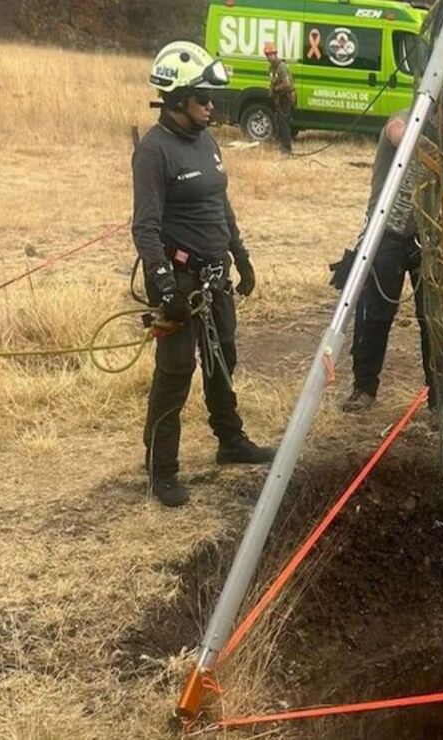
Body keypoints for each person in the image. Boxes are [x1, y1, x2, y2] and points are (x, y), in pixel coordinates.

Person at [133, 41, 276, 507]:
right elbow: (146, 226)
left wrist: (243, 255)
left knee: (223, 360)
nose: (211, 106)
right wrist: (165, 285)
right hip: (181, 282)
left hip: (217, 277)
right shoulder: (155, 152)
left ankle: (230, 441)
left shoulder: (207, 140)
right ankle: (161, 469)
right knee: (176, 371)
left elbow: (222, 206)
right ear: (176, 99)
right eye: (202, 99)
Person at [339, 83, 443, 413]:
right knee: (376, 314)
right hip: (385, 233)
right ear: (434, 106)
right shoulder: (405, 119)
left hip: (424, 238)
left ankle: (439, 396)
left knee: (434, 318)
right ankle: (364, 387)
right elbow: (398, 133)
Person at [264, 41, 296, 154]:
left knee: (284, 122)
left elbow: (287, 84)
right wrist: (271, 92)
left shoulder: (281, 67)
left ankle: (287, 149)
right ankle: (283, 146)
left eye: (271, 54)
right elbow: (272, 81)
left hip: (286, 97)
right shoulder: (271, 68)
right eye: (267, 55)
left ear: (275, 54)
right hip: (280, 98)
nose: (269, 57)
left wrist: (276, 89)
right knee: (280, 121)